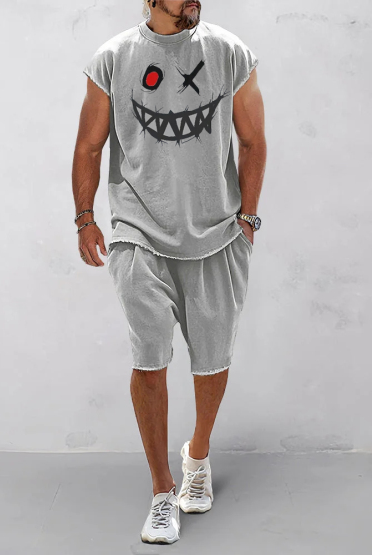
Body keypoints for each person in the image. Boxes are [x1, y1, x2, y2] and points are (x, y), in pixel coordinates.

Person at [72, 0, 266, 544]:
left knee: (212, 360)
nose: (193, 0)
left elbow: (252, 140)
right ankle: (162, 491)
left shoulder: (229, 52)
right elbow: (89, 145)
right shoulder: (113, 58)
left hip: (217, 233)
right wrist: (86, 218)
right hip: (139, 232)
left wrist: (247, 220)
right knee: (150, 357)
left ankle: (197, 454)